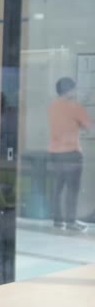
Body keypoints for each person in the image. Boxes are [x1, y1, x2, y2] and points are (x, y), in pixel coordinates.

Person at [48, 77, 92, 232]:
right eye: (74, 88)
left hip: (55, 153)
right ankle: (71, 222)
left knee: (57, 188)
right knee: (72, 190)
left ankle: (57, 220)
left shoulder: (53, 107)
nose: (76, 91)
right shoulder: (75, 107)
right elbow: (89, 126)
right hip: (72, 153)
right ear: (69, 90)